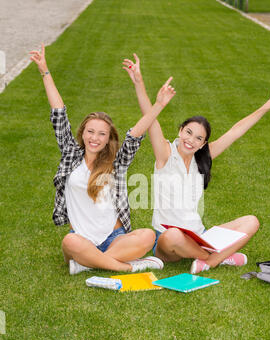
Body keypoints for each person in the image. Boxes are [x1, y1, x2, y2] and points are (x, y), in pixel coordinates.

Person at [123, 54, 270, 274]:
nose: (191, 140)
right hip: (167, 242)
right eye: (188, 132)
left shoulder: (202, 158)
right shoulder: (165, 153)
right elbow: (150, 119)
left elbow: (235, 131)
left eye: (198, 138)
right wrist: (139, 83)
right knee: (173, 234)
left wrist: (266, 107)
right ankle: (216, 257)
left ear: (203, 144)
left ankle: (209, 261)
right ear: (181, 130)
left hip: (200, 236)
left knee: (251, 221)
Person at [30, 44, 176, 275]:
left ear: (109, 139)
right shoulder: (71, 154)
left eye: (101, 134)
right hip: (82, 240)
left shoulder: (116, 162)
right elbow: (58, 113)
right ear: (82, 133)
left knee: (147, 235)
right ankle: (126, 267)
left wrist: (158, 104)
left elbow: (136, 134)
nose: (94, 138)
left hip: (115, 238)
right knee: (69, 243)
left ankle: (87, 263)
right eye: (90, 131)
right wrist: (44, 71)